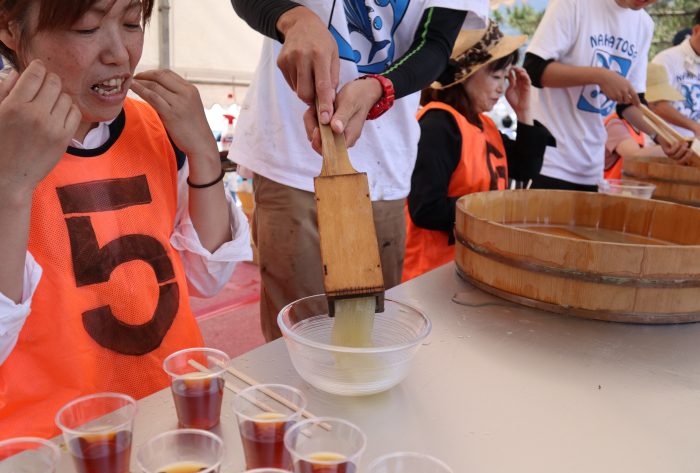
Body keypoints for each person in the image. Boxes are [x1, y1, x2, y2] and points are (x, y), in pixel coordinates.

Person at [0, 0, 252, 439]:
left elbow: (208, 276)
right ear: (10, 29)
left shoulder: (155, 127)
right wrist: (11, 187)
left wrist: (203, 154)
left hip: (175, 412)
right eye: (87, 27)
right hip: (49, 449)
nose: (120, 52)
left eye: (133, 24)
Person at [230, 0, 489, 340]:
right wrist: (293, 19)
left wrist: (379, 88)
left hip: (384, 168)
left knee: (373, 333)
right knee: (297, 337)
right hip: (288, 153)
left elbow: (436, 43)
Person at [402, 22, 554, 281]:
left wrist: (525, 112)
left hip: (470, 268)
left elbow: (524, 169)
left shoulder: (485, 125)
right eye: (496, 77)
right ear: (464, 74)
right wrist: (494, 209)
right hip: (432, 277)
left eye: (505, 78)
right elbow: (425, 209)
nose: (502, 88)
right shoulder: (439, 125)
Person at [522, 0, 689, 191]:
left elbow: (630, 103)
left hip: (592, 169)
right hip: (549, 162)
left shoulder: (644, 25)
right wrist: (599, 76)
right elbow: (533, 69)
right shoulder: (573, 4)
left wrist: (661, 136)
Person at [604, 62, 693, 179]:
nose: (659, 109)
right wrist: (676, 148)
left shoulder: (644, 127)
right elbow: (633, 155)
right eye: (655, 102)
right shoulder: (615, 124)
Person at [651, 8, 700, 138]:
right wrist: (694, 127)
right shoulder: (665, 60)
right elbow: (655, 104)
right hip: (666, 148)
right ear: (696, 30)